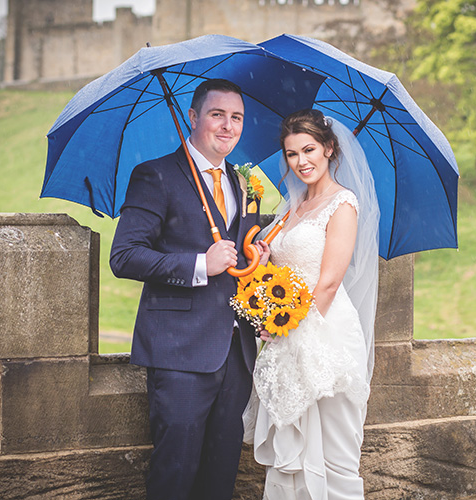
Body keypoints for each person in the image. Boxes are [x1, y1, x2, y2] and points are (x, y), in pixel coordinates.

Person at [110, 78, 267, 500]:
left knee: (220, 476)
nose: (228, 126)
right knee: (174, 475)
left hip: (236, 353)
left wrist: (258, 259)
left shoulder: (245, 182)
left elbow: (244, 259)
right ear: (194, 117)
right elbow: (124, 256)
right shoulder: (156, 175)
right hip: (179, 353)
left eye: (236, 118)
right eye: (217, 115)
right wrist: (201, 264)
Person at [243, 109, 380, 499]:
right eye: (291, 154)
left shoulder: (344, 204)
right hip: (286, 335)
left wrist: (287, 324)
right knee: (292, 453)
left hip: (323, 335)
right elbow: (281, 269)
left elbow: (330, 280)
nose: (301, 161)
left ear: (329, 149)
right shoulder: (293, 206)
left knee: (333, 453)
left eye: (309, 150)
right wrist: (265, 256)